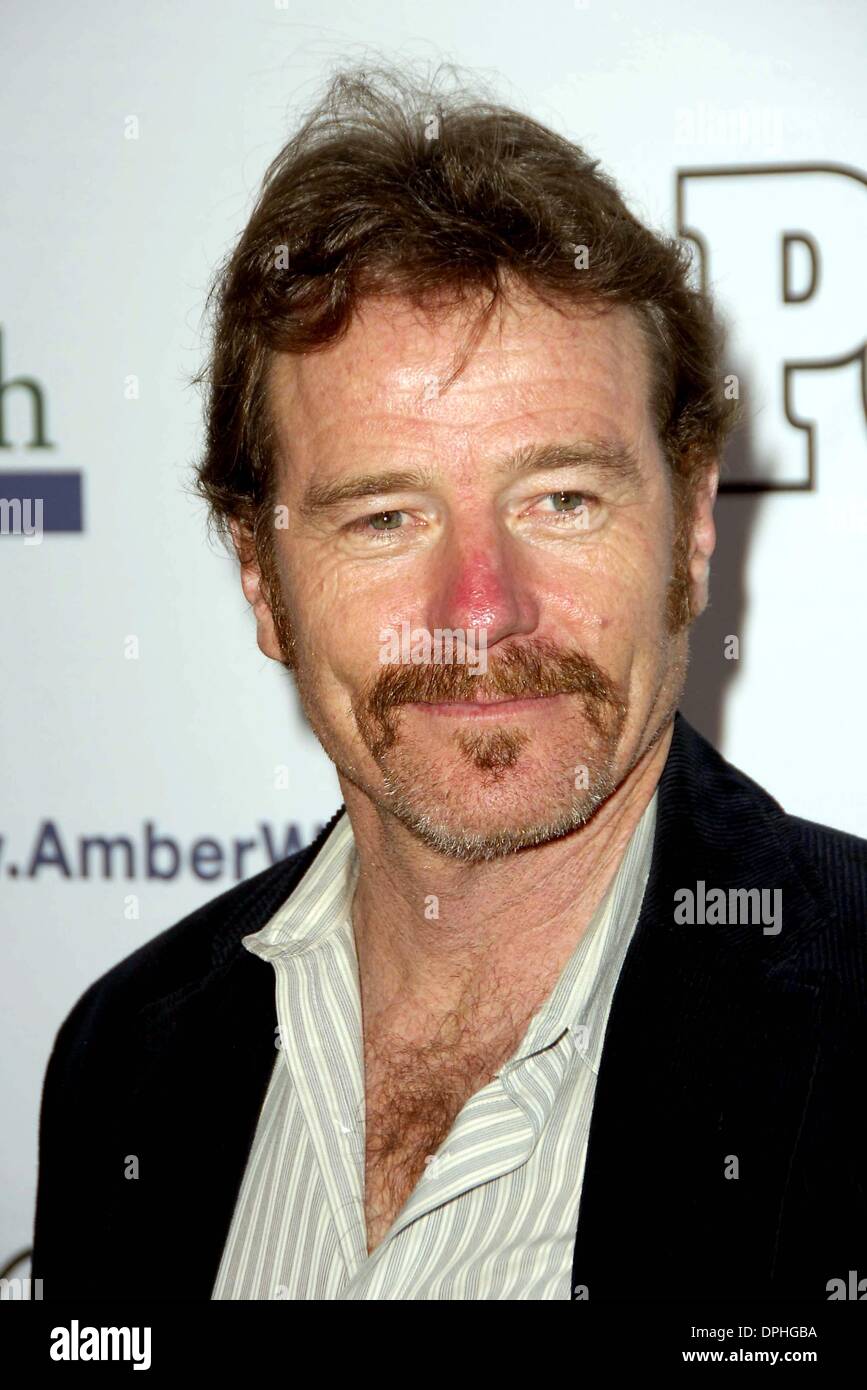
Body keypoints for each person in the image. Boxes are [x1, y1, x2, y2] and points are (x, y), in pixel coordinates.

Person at [32, 66, 867, 1301]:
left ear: (693, 524)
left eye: (561, 499)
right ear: (262, 577)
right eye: (384, 517)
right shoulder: (124, 1057)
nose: (481, 610)